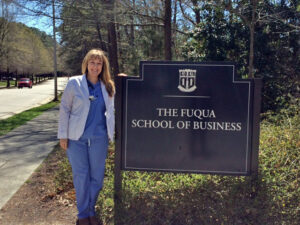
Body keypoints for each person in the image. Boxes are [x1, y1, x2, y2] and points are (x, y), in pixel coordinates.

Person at [58, 49, 115, 225]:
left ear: (103, 66)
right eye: (92, 62)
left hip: (99, 138)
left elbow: (113, 111)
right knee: (81, 175)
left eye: (99, 63)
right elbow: (65, 109)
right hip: (76, 139)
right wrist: (63, 135)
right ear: (86, 64)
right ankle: (83, 214)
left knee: (97, 176)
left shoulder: (108, 86)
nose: (95, 66)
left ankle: (91, 210)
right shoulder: (74, 83)